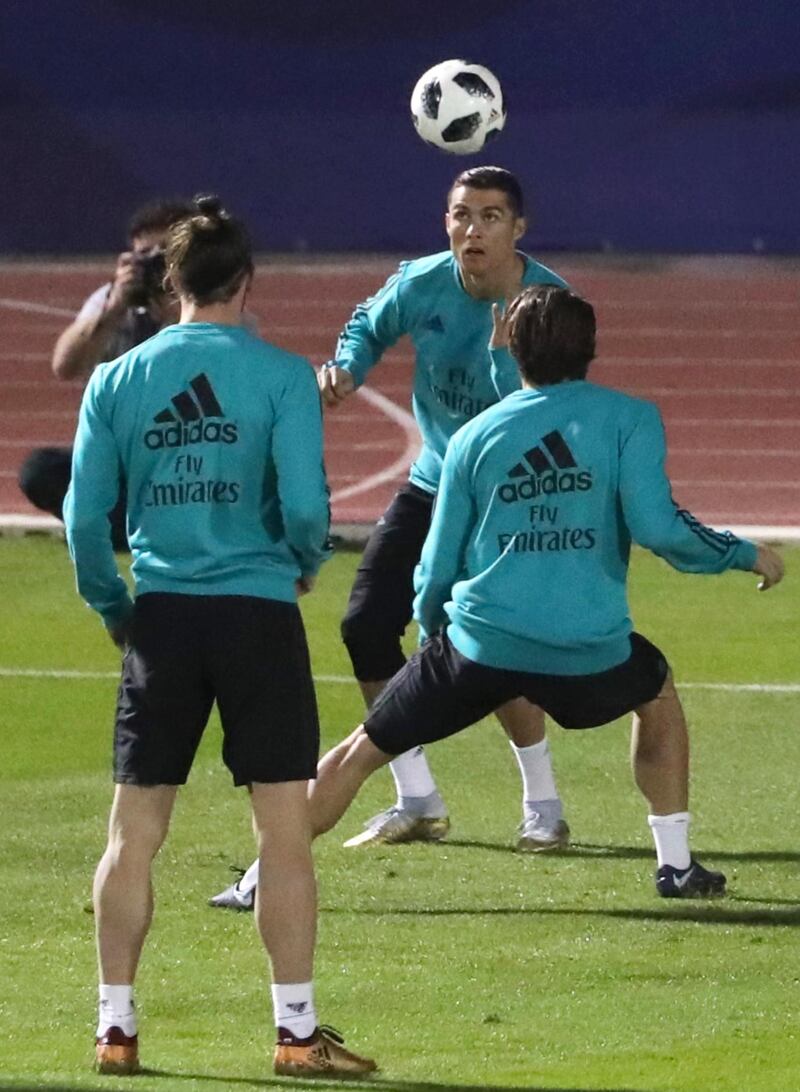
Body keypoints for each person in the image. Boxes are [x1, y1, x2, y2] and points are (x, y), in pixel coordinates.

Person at [277, 285, 784, 901]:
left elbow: (437, 564)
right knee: (656, 692)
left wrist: (436, 632)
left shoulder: (471, 439)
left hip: (480, 644)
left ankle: (262, 876)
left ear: (512, 350)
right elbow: (660, 529)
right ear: (591, 349)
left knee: (361, 750)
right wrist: (741, 552)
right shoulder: (629, 419)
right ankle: (674, 865)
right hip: (590, 649)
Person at [63, 194, 376, 1079]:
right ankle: (296, 1033)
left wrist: (117, 609)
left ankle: (116, 1029)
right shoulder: (280, 376)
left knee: (132, 835)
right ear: (246, 279)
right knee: (282, 834)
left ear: (171, 281)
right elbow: (308, 508)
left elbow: (87, 523)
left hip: (162, 618)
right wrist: (301, 559)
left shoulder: (118, 380)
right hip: (257, 616)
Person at [210, 166, 571, 911]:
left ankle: (543, 803)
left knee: (491, 648)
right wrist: (346, 368)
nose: (474, 231)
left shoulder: (548, 303)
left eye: (491, 217)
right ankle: (418, 798)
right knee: (366, 624)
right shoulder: (420, 282)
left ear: (519, 230)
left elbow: (545, 413)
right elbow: (367, 324)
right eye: (461, 215)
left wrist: (506, 357)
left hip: (505, 494)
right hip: (437, 480)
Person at [19, 198, 194, 550]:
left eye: (164, 254)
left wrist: (174, 318)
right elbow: (64, 364)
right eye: (145, 255)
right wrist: (114, 309)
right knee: (39, 471)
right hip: (117, 462)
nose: (155, 265)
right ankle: (134, 532)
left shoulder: (208, 305)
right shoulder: (111, 301)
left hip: (184, 462)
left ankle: (136, 529)